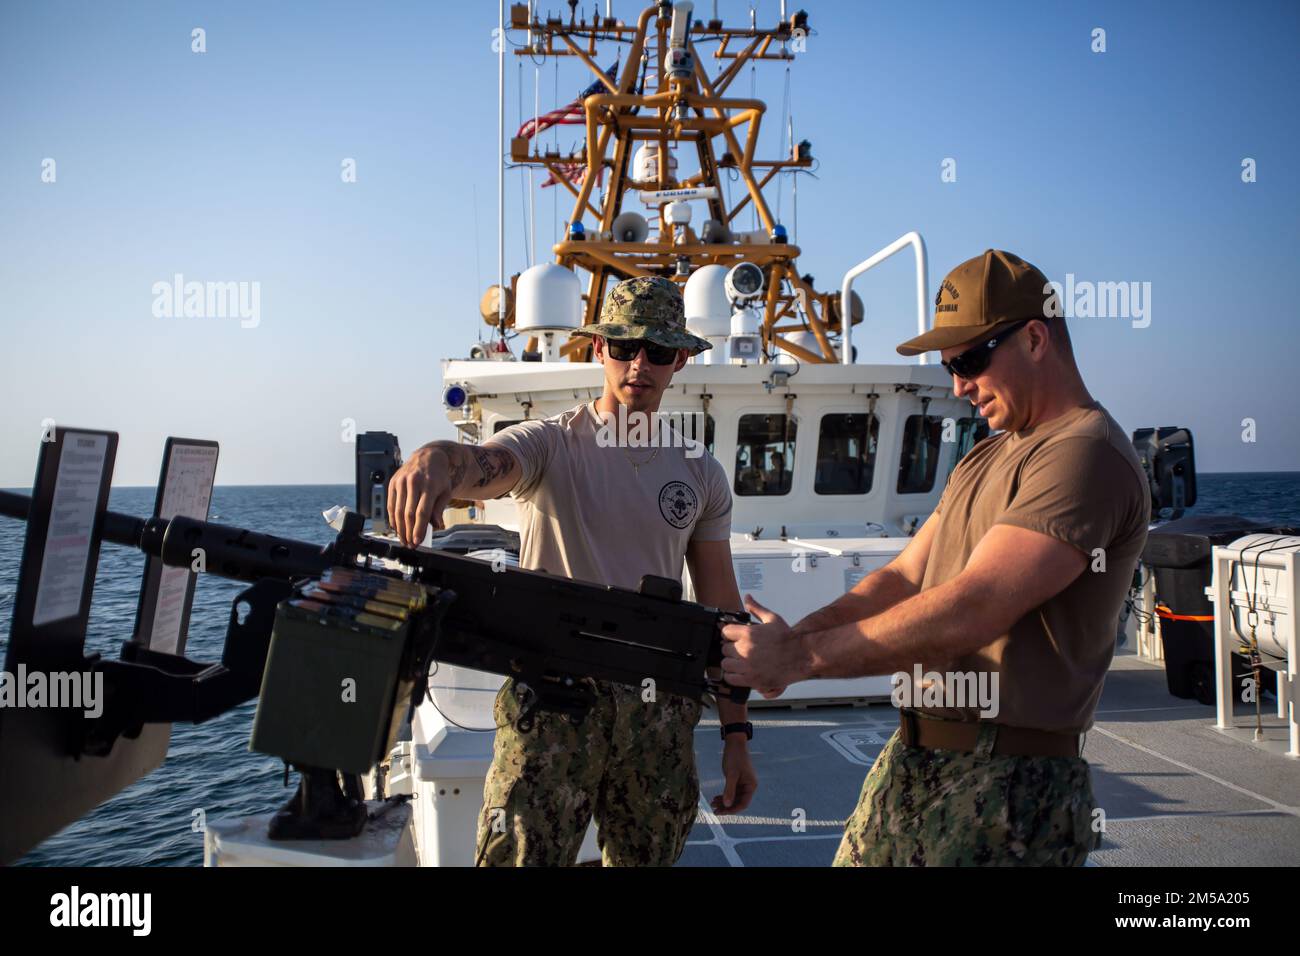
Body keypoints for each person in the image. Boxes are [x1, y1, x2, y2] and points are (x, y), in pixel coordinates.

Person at [720, 249, 1150, 866]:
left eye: (970, 359)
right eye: (949, 364)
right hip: (916, 757)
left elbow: (976, 607)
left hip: (1010, 786)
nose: (957, 384)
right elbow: (903, 576)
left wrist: (801, 658)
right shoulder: (985, 457)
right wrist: (790, 645)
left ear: (1034, 338)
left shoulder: (1085, 454)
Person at [387, 275, 757, 866]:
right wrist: (436, 459)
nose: (640, 363)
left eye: (658, 351)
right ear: (597, 349)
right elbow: (488, 463)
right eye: (624, 346)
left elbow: (724, 614)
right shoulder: (552, 446)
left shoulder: (700, 474)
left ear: (680, 359)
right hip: (553, 702)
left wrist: (737, 737)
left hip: (657, 711)